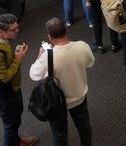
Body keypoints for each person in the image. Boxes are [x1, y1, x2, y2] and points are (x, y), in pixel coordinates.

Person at [29, 18, 95, 146]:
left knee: (59, 134)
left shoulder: (47, 56)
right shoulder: (82, 46)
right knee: (84, 127)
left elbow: (34, 75)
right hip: (79, 96)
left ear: (49, 36)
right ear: (66, 29)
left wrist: (40, 56)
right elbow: (90, 63)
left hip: (56, 102)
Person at [0, 14, 38, 146]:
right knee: (10, 124)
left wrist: (14, 54)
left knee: (15, 119)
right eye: (14, 29)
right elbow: (4, 78)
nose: (18, 30)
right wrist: (18, 59)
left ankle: (16, 141)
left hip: (11, 90)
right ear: (1, 31)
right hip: (5, 95)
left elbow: (4, 61)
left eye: (17, 27)